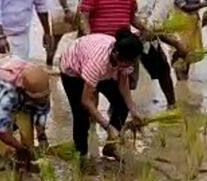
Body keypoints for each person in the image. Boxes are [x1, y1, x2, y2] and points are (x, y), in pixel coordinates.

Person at [60, 30, 145, 158]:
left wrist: (133, 110)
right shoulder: (97, 63)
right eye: (127, 62)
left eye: (132, 62)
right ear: (116, 54)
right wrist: (107, 126)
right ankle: (81, 155)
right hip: (73, 70)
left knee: (122, 104)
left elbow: (123, 84)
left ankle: (110, 146)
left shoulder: (125, 58)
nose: (130, 65)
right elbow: (86, 100)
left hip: (100, 68)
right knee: (81, 115)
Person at [135, 0, 194, 108]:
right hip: (141, 37)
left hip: (144, 34)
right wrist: (177, 45)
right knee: (161, 71)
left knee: (160, 70)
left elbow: (161, 24)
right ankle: (172, 106)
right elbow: (153, 27)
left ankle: (171, 104)